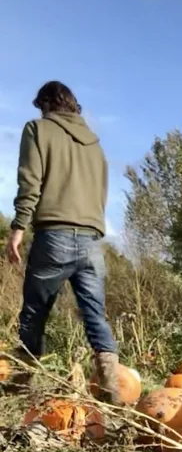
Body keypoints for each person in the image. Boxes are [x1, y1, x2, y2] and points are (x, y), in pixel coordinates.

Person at [4, 81, 122, 404]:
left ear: (46, 104)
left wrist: (18, 227)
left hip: (54, 236)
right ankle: (112, 389)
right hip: (92, 242)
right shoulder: (95, 145)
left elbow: (31, 180)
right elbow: (100, 194)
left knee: (34, 312)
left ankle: (20, 384)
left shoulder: (37, 129)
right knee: (95, 315)